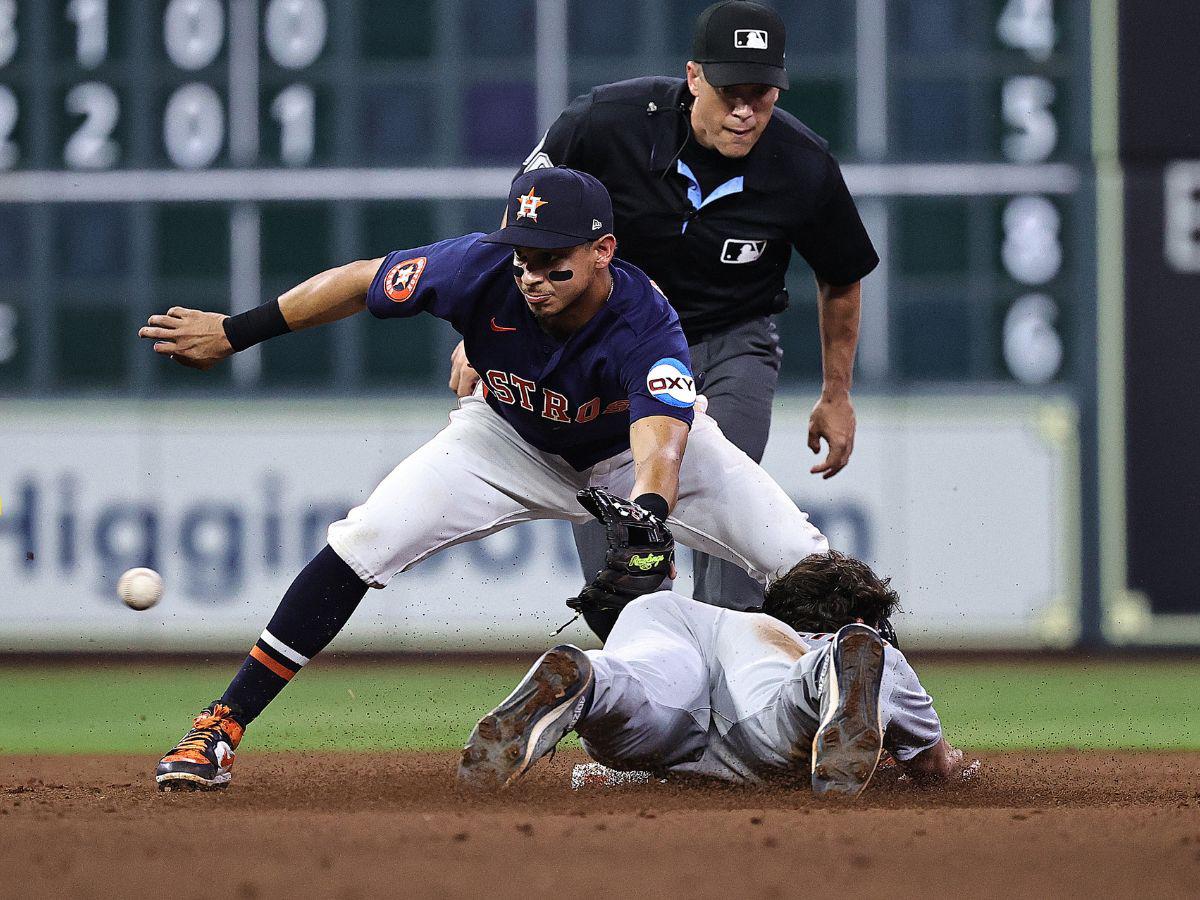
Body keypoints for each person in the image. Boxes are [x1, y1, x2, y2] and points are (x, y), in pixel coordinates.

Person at [137, 166, 829, 792]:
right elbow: (358, 280)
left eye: (552, 261)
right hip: (506, 440)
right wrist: (236, 331)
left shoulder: (645, 321)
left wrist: (647, 512)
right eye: (524, 256)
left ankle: (875, 722)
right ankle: (220, 726)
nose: (531, 275)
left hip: (626, 454)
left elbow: (662, 445)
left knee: (807, 559)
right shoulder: (478, 266)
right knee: (364, 537)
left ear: (602, 253)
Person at [449, 1, 880, 620]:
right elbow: (528, 226)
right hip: (608, 351)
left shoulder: (801, 164)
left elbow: (841, 278)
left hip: (729, 343)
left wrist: (837, 393)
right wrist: (484, 337)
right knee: (617, 562)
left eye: (762, 94)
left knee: (735, 542)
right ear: (694, 76)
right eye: (730, 89)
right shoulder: (605, 123)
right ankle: (647, 688)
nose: (745, 110)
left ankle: (731, 699)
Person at [459, 551, 973, 797]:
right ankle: (830, 670)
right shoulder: (854, 646)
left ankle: (588, 678)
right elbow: (933, 767)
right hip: (775, 657)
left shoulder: (750, 620)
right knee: (776, 715)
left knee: (633, 689)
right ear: (861, 622)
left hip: (669, 616)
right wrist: (953, 764)